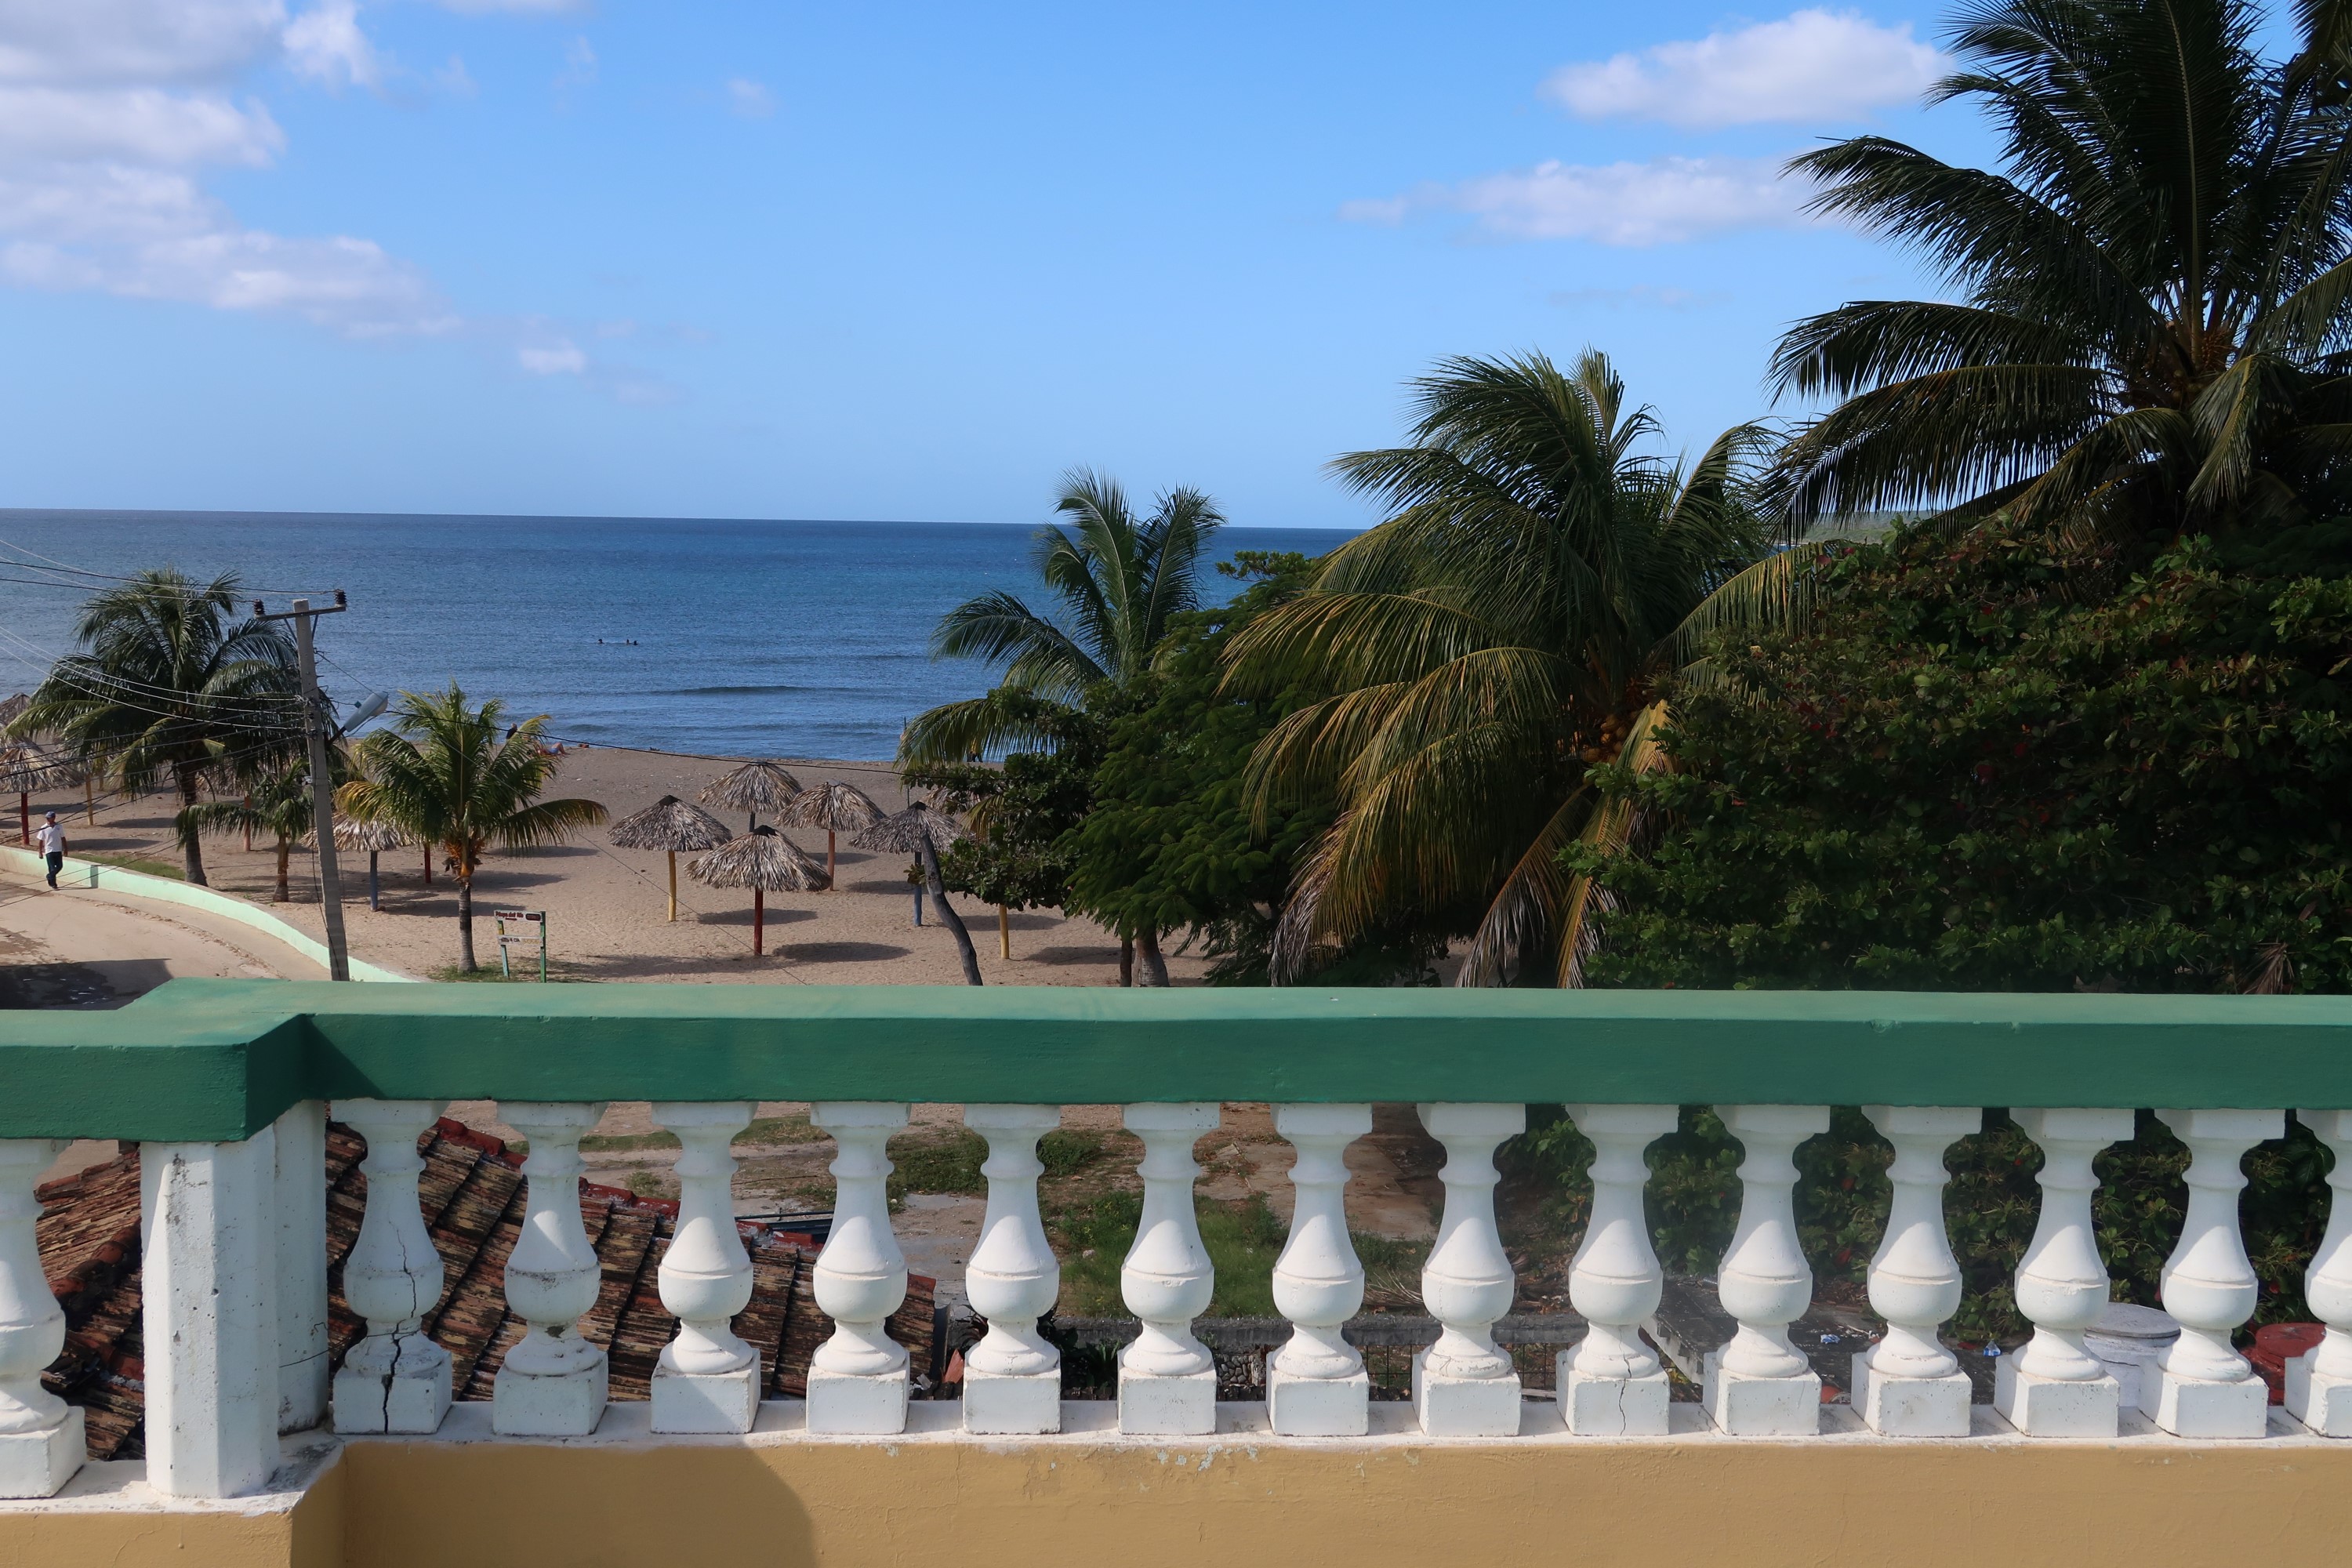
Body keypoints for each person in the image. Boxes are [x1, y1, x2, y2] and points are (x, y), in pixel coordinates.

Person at [35, 810, 65, 889]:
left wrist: (65, 849)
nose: (48, 820)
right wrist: (40, 852)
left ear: (54, 818)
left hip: (58, 850)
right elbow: (41, 840)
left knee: (59, 866)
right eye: (47, 818)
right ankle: (53, 884)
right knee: (52, 868)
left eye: (50, 818)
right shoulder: (44, 828)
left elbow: (63, 837)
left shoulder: (59, 827)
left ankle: (49, 876)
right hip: (49, 851)